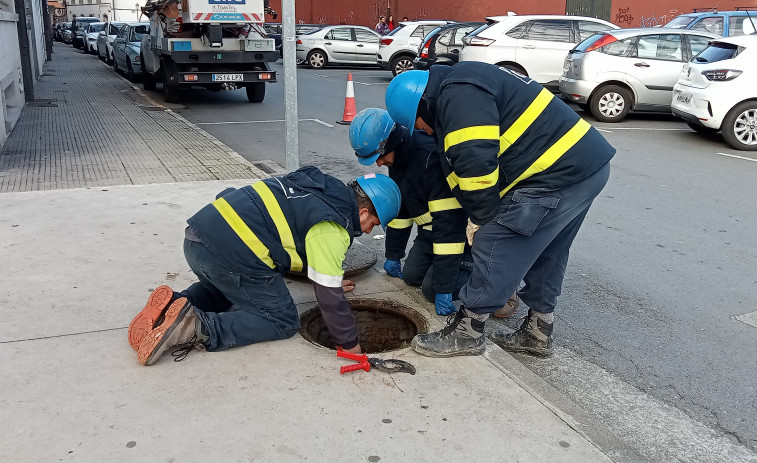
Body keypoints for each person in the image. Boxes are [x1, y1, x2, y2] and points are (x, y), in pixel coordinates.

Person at [385, 62, 615, 358]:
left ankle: (468, 332)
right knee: (548, 251)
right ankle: (538, 333)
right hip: (584, 167)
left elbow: (475, 163)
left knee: (494, 238)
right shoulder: (464, 81)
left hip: (556, 172)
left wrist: (480, 218)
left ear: (423, 106)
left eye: (418, 123)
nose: (422, 131)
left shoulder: (456, 97)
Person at [128, 167, 401, 366]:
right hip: (229, 253)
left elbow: (294, 234)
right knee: (281, 320)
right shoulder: (334, 225)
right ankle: (193, 327)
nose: (366, 232)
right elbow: (329, 298)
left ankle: (168, 308)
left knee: (227, 291)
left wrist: (326, 275)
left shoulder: (320, 188)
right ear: (363, 211)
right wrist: (352, 346)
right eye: (373, 224)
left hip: (199, 240)